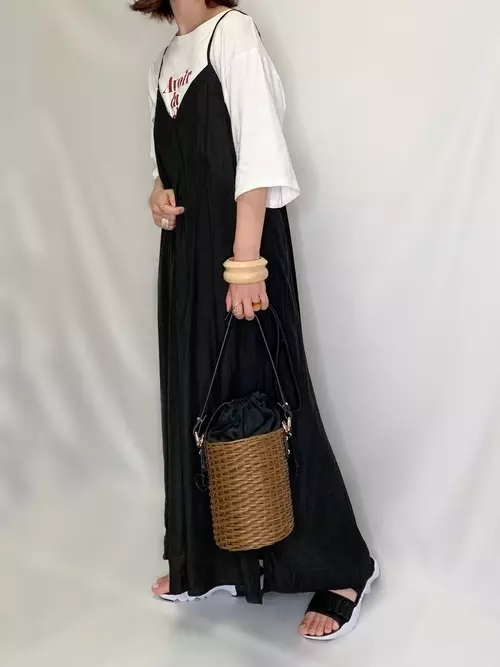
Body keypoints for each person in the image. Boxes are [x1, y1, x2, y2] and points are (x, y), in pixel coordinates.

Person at [132, 0, 379, 640]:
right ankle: (210, 560)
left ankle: (343, 568)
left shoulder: (233, 34)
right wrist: (158, 194)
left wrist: (246, 264)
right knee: (199, 396)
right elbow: (165, 164)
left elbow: (259, 157)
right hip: (186, 255)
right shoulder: (166, 59)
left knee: (273, 394)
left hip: (240, 247)